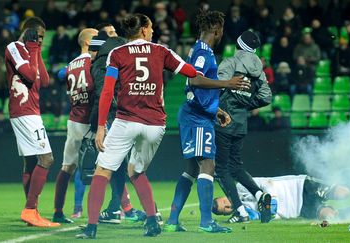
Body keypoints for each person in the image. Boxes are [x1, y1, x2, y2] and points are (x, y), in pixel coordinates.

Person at [76, 13, 248, 239]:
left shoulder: (117, 53)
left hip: (126, 120)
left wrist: (100, 127)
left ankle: (91, 227)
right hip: (154, 125)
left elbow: (107, 91)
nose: (154, 31)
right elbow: (190, 72)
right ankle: (151, 220)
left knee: (103, 171)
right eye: (151, 27)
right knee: (136, 171)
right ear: (144, 30)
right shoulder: (161, 51)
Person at [165, 10, 245, 234]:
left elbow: (195, 87)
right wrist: (227, 83)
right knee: (208, 165)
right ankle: (206, 221)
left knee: (191, 169)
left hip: (199, 114)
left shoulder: (200, 50)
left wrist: (216, 109)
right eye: (222, 31)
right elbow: (195, 79)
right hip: (197, 118)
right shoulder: (203, 52)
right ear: (217, 30)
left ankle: (172, 220)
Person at [211, 30, 273, 224]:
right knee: (236, 167)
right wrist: (245, 104)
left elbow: (218, 87)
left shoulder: (230, 63)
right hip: (241, 124)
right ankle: (258, 194)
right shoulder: (259, 70)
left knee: (221, 169)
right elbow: (266, 97)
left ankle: (240, 211)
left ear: (238, 45)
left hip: (224, 120)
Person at [89, 24, 147, 225]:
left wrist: (99, 124)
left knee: (105, 167)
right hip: (132, 115)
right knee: (123, 166)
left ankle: (105, 215)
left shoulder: (101, 63)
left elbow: (103, 93)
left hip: (114, 118)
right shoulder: (124, 56)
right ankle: (124, 208)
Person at [5, 16, 59, 227]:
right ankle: (29, 209)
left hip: (31, 110)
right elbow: (28, 75)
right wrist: (33, 49)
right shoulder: (15, 47)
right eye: (39, 36)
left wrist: (35, 50)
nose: (41, 41)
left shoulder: (30, 50)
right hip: (24, 110)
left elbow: (44, 80)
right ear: (28, 32)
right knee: (47, 159)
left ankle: (32, 212)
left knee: (30, 161)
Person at [52, 28, 98, 224]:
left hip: (74, 121)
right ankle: (116, 210)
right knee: (106, 168)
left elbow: (61, 74)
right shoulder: (94, 61)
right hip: (90, 122)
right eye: (97, 38)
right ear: (87, 42)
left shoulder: (71, 64)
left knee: (67, 168)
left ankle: (58, 211)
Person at [212, 175, 350, 221]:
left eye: (225, 202)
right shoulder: (246, 213)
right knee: (331, 216)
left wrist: (271, 199)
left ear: (224, 196)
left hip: (300, 186)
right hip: (299, 209)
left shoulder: (240, 187)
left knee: (342, 193)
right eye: (225, 209)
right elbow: (264, 218)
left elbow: (266, 183)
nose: (229, 206)